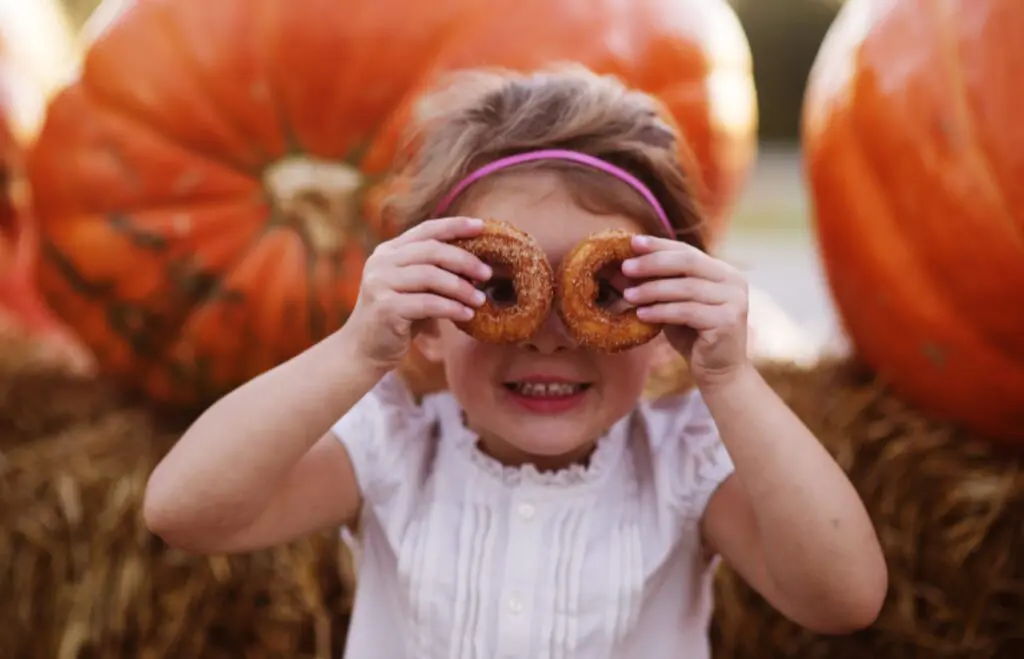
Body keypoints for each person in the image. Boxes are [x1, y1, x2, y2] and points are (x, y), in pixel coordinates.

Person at [143, 66, 887, 658]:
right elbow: (184, 510)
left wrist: (730, 377)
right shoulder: (393, 448)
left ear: (664, 322)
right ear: (429, 322)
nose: (551, 336)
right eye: (497, 286)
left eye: (604, 288)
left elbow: (844, 597)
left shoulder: (683, 465)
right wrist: (356, 347)